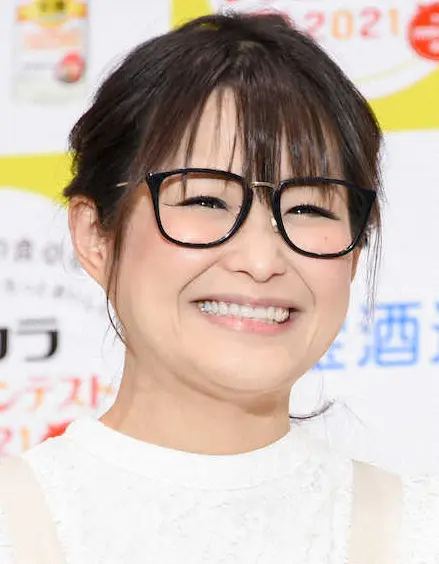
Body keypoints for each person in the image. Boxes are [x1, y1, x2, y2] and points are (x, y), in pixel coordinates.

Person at [0, 12, 438, 564]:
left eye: (307, 208)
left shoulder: (418, 534)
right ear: (96, 236)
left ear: (354, 251)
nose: (260, 261)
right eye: (205, 200)